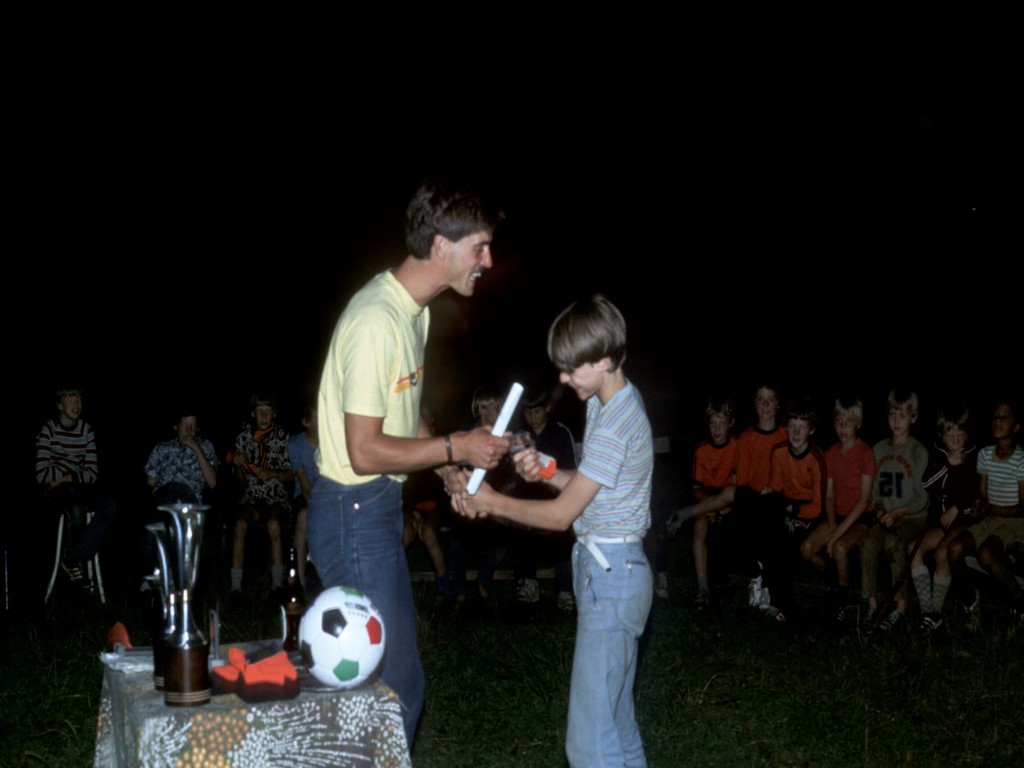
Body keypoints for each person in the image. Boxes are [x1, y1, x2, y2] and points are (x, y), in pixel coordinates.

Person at [306, 177, 509, 747]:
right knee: (391, 689)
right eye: (479, 248)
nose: (488, 261)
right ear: (441, 246)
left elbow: (404, 410)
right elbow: (363, 450)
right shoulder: (376, 320)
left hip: (373, 509)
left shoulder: (412, 312)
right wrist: (456, 447)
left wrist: (447, 470)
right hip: (351, 510)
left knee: (393, 686)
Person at [452, 294, 654, 768]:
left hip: (613, 577)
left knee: (589, 744)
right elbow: (592, 486)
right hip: (614, 573)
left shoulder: (615, 421)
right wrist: (544, 469)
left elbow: (563, 515)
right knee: (617, 725)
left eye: (570, 367)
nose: (563, 378)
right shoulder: (611, 401)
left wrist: (491, 501)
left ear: (602, 359)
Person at [946, 398, 1024, 629]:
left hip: (1015, 521)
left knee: (985, 554)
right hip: (991, 518)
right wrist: (978, 508)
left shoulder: (1021, 459)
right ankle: (971, 602)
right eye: (995, 416)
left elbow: (1023, 507)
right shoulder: (985, 455)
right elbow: (983, 498)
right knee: (954, 549)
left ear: (1016, 426)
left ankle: (1020, 601)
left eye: (1004, 417)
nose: (998, 421)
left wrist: (991, 509)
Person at [860, 389, 930, 631]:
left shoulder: (918, 452)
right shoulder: (879, 449)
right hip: (886, 517)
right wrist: (880, 508)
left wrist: (898, 512)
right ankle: (871, 605)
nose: (896, 421)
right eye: (892, 415)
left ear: (914, 418)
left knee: (894, 543)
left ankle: (900, 608)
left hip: (912, 517)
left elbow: (922, 497)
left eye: (903, 416)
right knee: (868, 542)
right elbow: (875, 490)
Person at [35, 386, 116, 590]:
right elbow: (42, 474)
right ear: (60, 405)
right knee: (76, 506)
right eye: (70, 398)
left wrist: (66, 477)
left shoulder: (86, 430)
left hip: (77, 487)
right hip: (58, 492)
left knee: (109, 504)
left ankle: (72, 557)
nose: (76, 403)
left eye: (78, 399)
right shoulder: (49, 430)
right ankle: (74, 561)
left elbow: (92, 473)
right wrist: (66, 480)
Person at [756, 395, 827, 623]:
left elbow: (818, 506)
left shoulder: (817, 458)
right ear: (786, 427)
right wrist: (771, 494)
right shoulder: (778, 452)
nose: (796, 433)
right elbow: (776, 488)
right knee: (765, 520)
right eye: (792, 426)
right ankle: (762, 585)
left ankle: (782, 605)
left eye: (802, 427)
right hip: (785, 506)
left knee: (786, 540)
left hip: (808, 513)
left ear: (811, 430)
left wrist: (793, 510)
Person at [910, 402, 980, 631]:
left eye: (961, 434)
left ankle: (936, 612)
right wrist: (949, 463)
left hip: (966, 523)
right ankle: (929, 612)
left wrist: (958, 507)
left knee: (942, 552)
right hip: (941, 523)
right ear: (941, 435)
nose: (956, 440)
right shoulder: (938, 455)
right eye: (950, 434)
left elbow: (977, 496)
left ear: (967, 434)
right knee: (913, 549)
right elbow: (927, 483)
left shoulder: (975, 457)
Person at [814, 396, 875, 628]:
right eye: (839, 421)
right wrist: (832, 526)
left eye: (848, 422)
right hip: (837, 516)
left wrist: (837, 534)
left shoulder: (865, 453)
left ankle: (841, 602)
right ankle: (836, 579)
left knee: (839, 547)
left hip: (861, 517)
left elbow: (863, 501)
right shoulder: (829, 454)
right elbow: (828, 497)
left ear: (858, 424)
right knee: (806, 549)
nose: (843, 427)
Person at [674, 396, 739, 610]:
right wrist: (711, 506)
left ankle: (684, 514)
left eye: (722, 423)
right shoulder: (701, 450)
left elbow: (739, 484)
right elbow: (695, 488)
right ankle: (702, 589)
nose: (717, 429)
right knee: (699, 525)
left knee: (731, 496)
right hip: (707, 499)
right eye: (713, 423)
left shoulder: (738, 446)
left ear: (731, 423)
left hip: (732, 499)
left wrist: (721, 508)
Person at [227, 392, 293, 599]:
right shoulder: (243, 439)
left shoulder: (284, 438)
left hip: (276, 498)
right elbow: (240, 483)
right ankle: (236, 588)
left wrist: (273, 473)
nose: (264, 415)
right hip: (251, 498)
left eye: (268, 411)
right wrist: (238, 467)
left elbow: (293, 473)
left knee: (274, 524)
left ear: (274, 413)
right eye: (259, 411)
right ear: (253, 414)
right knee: (239, 525)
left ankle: (277, 587)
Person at [519, 386, 580, 611]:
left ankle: (564, 589)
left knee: (564, 526)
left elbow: (573, 472)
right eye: (528, 413)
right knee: (517, 522)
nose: (532, 418)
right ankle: (528, 582)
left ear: (546, 409)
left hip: (556, 495)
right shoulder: (520, 436)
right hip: (529, 496)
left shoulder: (560, 433)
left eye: (536, 412)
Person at [142, 406, 219, 584]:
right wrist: (155, 490)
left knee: (179, 524)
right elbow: (150, 482)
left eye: (193, 426)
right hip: (163, 493)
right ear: (175, 426)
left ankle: (178, 580)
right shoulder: (162, 448)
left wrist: (196, 448)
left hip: (187, 495)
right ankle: (149, 581)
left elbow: (213, 482)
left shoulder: (205, 446)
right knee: (154, 527)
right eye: (185, 425)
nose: (189, 430)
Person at [286, 397, 319, 588]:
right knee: (304, 515)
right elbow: (304, 485)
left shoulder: (332, 442)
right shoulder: (295, 445)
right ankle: (298, 580)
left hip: (328, 495)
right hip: (304, 496)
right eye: (318, 417)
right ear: (306, 422)